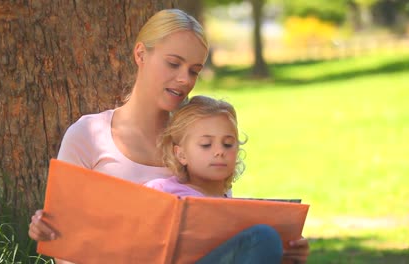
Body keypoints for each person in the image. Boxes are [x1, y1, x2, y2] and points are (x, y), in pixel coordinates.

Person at [28, 8, 309, 264]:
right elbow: (63, 243)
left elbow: (219, 233)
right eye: (173, 64)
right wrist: (49, 229)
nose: (185, 79)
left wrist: (280, 254)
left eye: (194, 71)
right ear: (141, 54)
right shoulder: (88, 135)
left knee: (264, 238)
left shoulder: (200, 139)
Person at [144, 95, 245, 198]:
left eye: (228, 144)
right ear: (181, 154)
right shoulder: (163, 191)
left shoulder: (230, 201)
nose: (220, 151)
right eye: (206, 144)